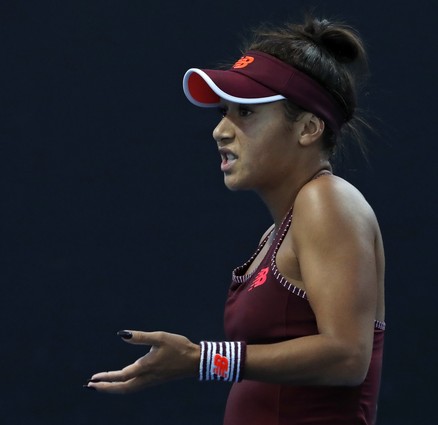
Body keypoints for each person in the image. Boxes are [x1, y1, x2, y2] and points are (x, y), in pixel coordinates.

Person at [85, 15, 385, 425]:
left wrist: (201, 359)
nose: (220, 131)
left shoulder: (326, 201)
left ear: (309, 127)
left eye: (245, 113)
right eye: (224, 111)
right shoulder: (278, 232)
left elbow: (348, 357)